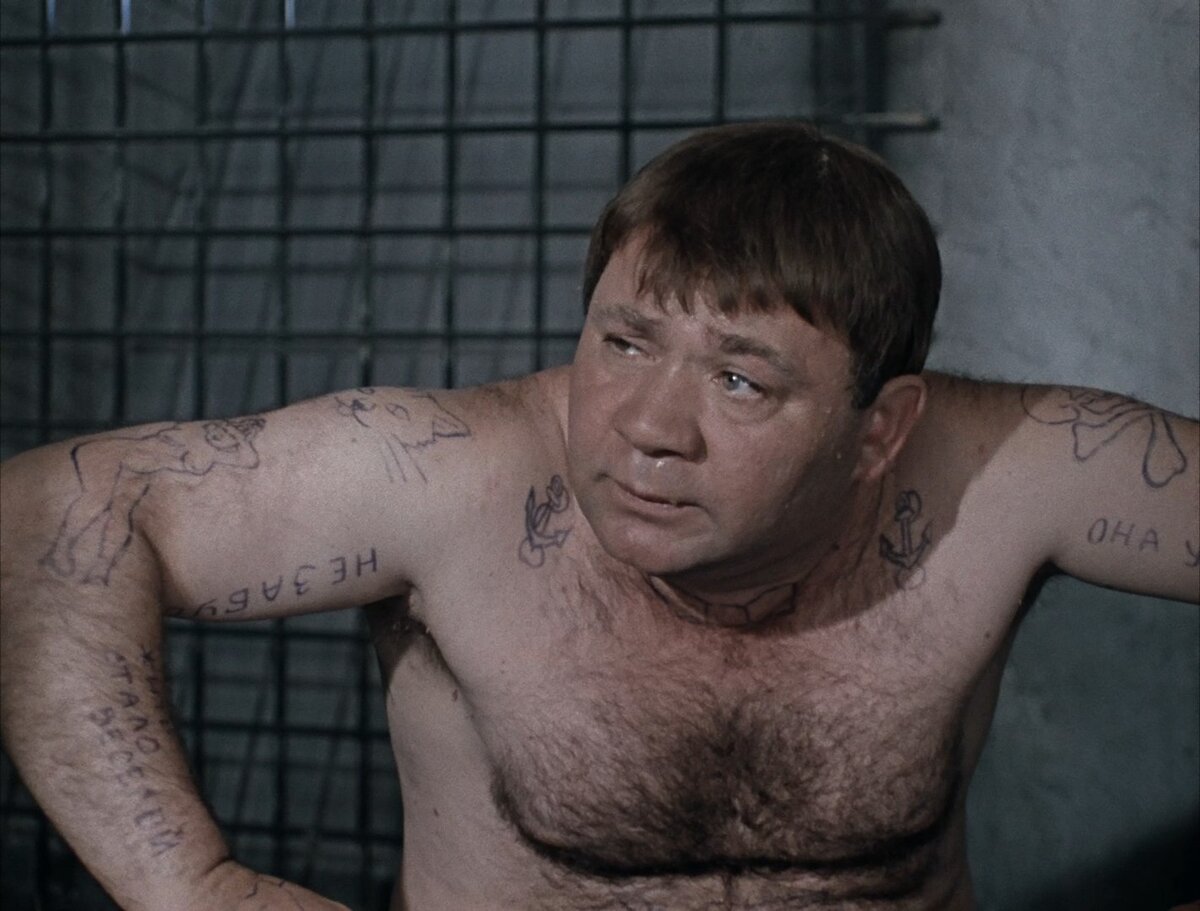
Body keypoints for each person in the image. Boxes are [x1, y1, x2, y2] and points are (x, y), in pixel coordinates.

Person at [1, 121, 1196, 911]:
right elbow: (50, 512)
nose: (649, 426)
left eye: (741, 381)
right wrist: (196, 886)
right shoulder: (455, 480)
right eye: (624, 342)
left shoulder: (1002, 476)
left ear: (881, 428)